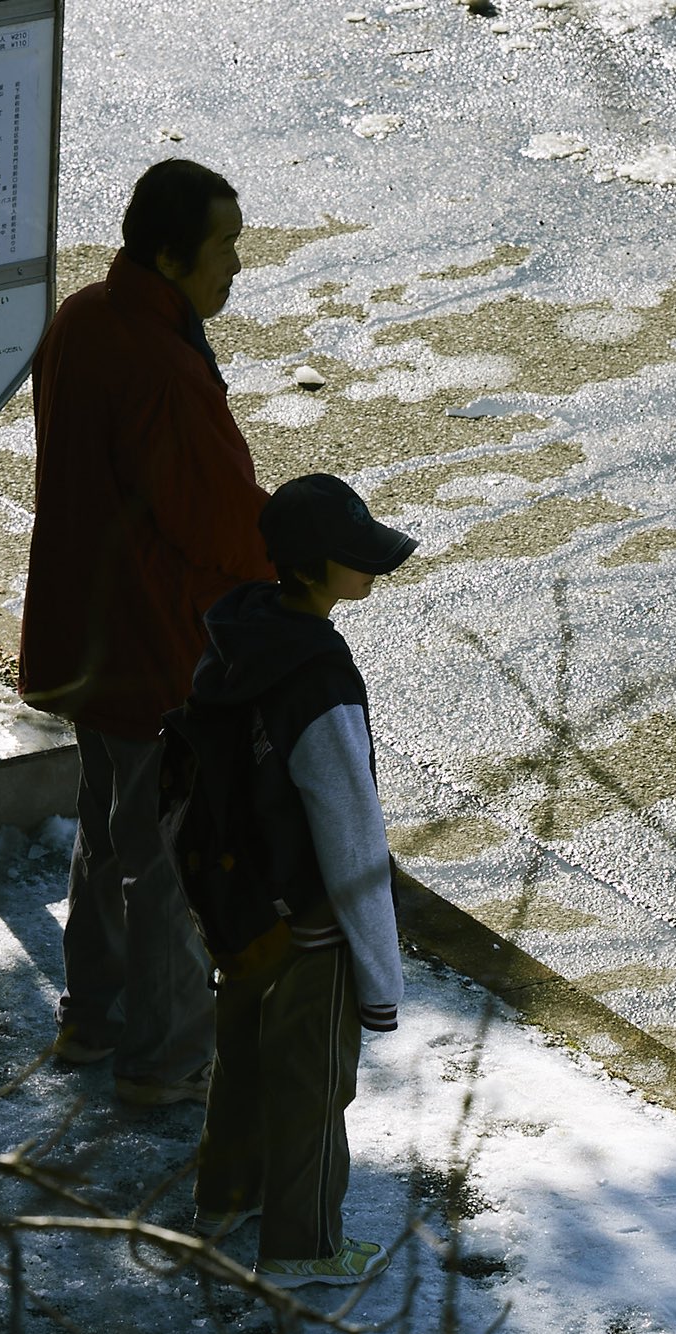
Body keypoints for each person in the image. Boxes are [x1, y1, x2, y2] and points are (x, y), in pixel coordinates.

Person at [20, 159, 271, 1105]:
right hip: (157, 644)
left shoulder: (82, 319)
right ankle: (165, 1057)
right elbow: (213, 523)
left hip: (82, 631)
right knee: (167, 856)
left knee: (107, 831)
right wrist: (286, 559)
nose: (237, 265)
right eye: (224, 246)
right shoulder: (164, 368)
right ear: (170, 253)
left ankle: (94, 1015)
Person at [184, 473, 415, 1288]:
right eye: (356, 559)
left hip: (241, 902)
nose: (371, 571)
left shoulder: (240, 634)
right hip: (311, 923)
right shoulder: (318, 675)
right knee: (314, 1091)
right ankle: (304, 1247)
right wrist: (380, 977)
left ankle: (223, 1199)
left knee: (242, 1061)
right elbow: (351, 829)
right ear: (314, 569)